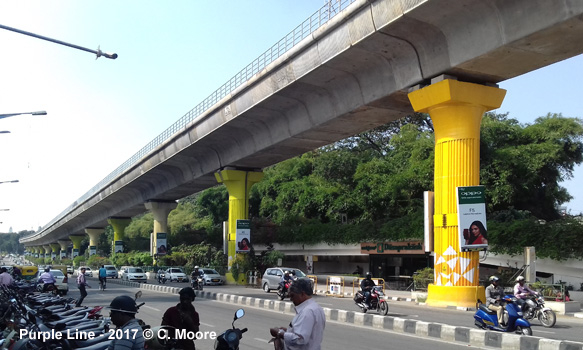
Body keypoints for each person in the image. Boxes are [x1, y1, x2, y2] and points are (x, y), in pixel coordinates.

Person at [269, 278, 325, 350]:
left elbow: (300, 339)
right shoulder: (316, 308)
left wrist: (279, 333)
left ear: (302, 294)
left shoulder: (307, 311)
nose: (291, 299)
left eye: (292, 296)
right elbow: (307, 333)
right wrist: (288, 331)